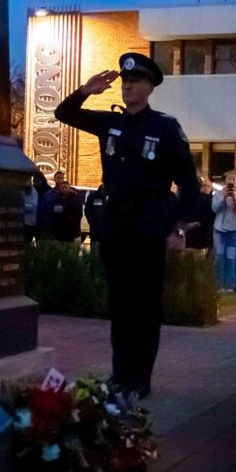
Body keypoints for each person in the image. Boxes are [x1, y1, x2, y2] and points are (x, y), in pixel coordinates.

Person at [54, 52, 199, 399]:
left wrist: (179, 228)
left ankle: (140, 380)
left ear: (149, 87)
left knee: (145, 305)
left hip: (149, 225)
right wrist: (85, 91)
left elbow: (188, 181)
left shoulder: (165, 127)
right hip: (116, 224)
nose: (128, 86)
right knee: (119, 305)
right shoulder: (110, 123)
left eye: (135, 81)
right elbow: (64, 114)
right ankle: (120, 375)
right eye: (125, 81)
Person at [210, 171, 236, 292]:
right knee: (220, 257)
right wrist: (224, 198)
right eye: (229, 179)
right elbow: (214, 209)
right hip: (219, 230)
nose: (231, 181)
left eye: (233, 179)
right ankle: (219, 284)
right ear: (225, 181)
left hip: (234, 230)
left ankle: (230, 285)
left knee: (231, 257)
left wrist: (235, 199)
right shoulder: (218, 193)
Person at [39, 173, 85, 243]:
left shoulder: (73, 195)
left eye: (62, 178)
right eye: (58, 178)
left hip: (69, 230)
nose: (60, 180)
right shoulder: (49, 194)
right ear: (54, 179)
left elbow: (78, 213)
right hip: (53, 229)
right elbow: (44, 210)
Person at [84, 184, 107, 249]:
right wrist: (91, 221)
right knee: (95, 248)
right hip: (96, 228)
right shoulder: (93, 196)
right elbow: (87, 210)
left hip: (108, 229)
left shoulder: (113, 196)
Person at [22, 176, 42, 243]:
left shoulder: (33, 191)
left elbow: (33, 207)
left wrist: (22, 206)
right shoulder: (20, 190)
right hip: (22, 222)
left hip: (31, 222)